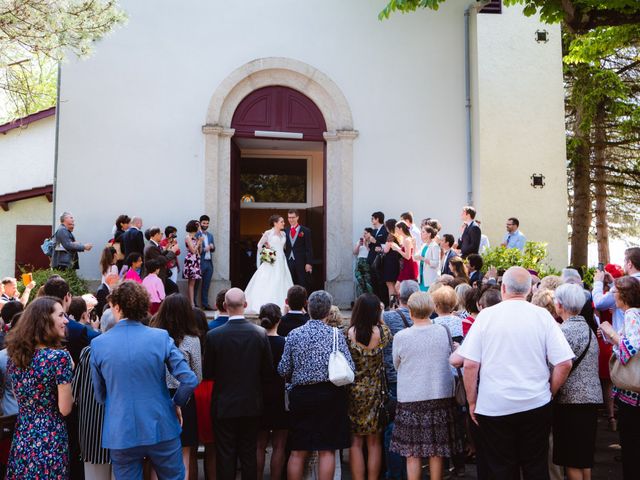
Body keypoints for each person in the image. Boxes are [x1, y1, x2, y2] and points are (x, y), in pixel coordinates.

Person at [455, 267, 574, 480]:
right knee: (536, 466)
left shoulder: (486, 316)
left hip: (494, 405)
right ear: (529, 290)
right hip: (535, 402)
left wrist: (472, 402)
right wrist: (550, 391)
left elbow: (470, 364)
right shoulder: (542, 317)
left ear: (503, 288)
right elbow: (564, 363)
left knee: (499, 468)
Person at [90, 281, 198, 479]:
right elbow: (189, 379)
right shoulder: (160, 337)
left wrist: (118, 405)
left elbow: (100, 394)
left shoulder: (98, 344)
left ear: (116, 307)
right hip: (161, 422)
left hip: (121, 428)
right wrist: (175, 404)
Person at [278, 290, 354, 480]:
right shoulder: (336, 335)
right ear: (328, 312)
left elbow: (283, 368)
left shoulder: (294, 334)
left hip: (302, 395)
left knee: (298, 450)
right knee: (326, 450)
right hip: (330, 394)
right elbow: (350, 366)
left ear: (308, 308)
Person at [390, 292, 462, 480]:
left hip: (411, 397)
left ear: (411, 311)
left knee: (412, 452)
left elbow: (397, 364)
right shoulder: (443, 331)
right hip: (439, 394)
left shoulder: (401, 336)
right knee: (436, 449)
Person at [203, 288, 273, 480]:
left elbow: (207, 372)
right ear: (246, 304)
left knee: (225, 454)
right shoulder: (259, 334)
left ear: (224, 306)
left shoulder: (214, 336)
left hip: (224, 403)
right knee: (248, 453)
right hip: (251, 402)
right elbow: (267, 371)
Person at [5, 297, 73, 478]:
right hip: (50, 438)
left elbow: (18, 396)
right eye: (61, 315)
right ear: (45, 320)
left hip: (23, 436)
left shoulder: (17, 356)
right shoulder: (59, 358)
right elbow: (65, 409)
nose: (66, 320)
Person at [551, 284, 602, 480]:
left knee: (571, 459)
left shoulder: (564, 332)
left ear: (560, 305)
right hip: (590, 399)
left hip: (570, 401)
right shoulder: (588, 329)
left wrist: (551, 391)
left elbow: (558, 366)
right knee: (583, 457)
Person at [150, 294, 203, 479]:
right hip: (185, 396)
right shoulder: (192, 339)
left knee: (157, 456)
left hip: (158, 395)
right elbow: (197, 376)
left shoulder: (153, 337)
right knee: (184, 455)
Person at [599, 276, 640, 480]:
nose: (612, 295)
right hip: (633, 394)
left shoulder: (632, 315)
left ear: (624, 295)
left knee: (631, 446)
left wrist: (610, 332)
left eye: (614, 292)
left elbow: (628, 349)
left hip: (633, 394)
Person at [347, 293, 391, 480]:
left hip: (354, 390)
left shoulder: (348, 333)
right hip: (376, 390)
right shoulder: (383, 332)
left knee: (355, 441)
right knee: (374, 442)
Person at [72, 311, 117, 480]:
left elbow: (75, 392)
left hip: (92, 431)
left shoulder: (88, 352)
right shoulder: (129, 353)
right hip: (121, 433)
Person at [382, 280, 419, 480]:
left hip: (394, 377)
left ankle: (395, 473)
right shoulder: (425, 317)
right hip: (416, 379)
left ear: (399, 296)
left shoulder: (386, 317)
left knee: (393, 428)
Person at [256, 303, 289, 480]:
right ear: (279, 320)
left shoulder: (255, 342)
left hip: (258, 395)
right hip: (279, 396)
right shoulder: (284, 342)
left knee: (259, 445)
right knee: (279, 445)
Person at [245, 215, 294, 314]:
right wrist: (267, 250)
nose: (284, 223)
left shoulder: (284, 234)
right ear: (275, 223)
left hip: (282, 260)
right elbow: (259, 245)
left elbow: (283, 247)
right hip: (272, 259)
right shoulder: (268, 233)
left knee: (282, 280)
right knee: (270, 280)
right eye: (281, 221)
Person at [593, 247, 640, 332]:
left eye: (624, 261)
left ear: (629, 263)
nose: (624, 265)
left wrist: (598, 282)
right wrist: (613, 283)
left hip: (626, 337)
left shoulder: (626, 284)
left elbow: (599, 303)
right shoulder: (628, 284)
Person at [284, 209, 314, 293]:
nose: (291, 220)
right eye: (289, 217)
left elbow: (309, 248)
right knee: (289, 282)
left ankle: (303, 303)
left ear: (297, 217)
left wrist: (309, 263)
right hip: (288, 260)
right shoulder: (285, 230)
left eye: (293, 217)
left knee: (302, 283)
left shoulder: (305, 231)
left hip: (302, 261)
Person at [144, 226, 180, 295]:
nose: (162, 235)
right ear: (156, 234)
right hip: (156, 276)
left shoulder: (152, 245)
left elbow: (159, 255)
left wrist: (167, 250)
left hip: (160, 276)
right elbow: (162, 260)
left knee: (173, 288)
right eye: (161, 234)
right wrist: (172, 251)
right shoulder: (151, 247)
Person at [368, 211, 389, 306]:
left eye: (372, 218)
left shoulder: (385, 230)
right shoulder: (374, 231)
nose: (371, 220)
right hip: (372, 261)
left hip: (381, 262)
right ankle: (376, 304)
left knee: (381, 283)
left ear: (377, 219)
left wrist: (375, 241)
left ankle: (384, 304)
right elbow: (372, 246)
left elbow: (385, 245)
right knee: (374, 283)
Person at [391, 221, 418, 287]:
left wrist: (397, 249)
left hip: (409, 265)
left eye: (396, 228)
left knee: (399, 287)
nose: (395, 230)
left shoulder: (407, 240)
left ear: (401, 229)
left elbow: (408, 256)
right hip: (406, 265)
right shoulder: (405, 239)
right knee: (400, 287)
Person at [197, 215, 216, 310]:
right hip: (200, 262)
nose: (206, 225)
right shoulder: (197, 235)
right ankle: (195, 304)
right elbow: (196, 250)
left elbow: (213, 249)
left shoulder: (210, 235)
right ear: (200, 223)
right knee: (197, 284)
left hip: (209, 263)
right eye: (204, 223)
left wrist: (212, 247)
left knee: (206, 285)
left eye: (207, 223)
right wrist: (205, 249)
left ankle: (205, 304)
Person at [382, 218, 401, 307]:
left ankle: (392, 305)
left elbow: (386, 250)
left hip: (390, 262)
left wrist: (380, 249)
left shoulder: (390, 236)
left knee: (390, 285)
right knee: (395, 285)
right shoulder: (399, 235)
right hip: (396, 262)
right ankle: (397, 304)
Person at [416, 225, 439, 291]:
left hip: (429, 279)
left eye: (423, 232)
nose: (421, 233)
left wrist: (423, 259)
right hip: (421, 277)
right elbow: (415, 257)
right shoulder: (424, 245)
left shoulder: (434, 246)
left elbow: (436, 263)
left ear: (429, 234)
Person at [353, 228, 374, 297]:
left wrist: (366, 244)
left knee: (368, 282)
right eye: (363, 233)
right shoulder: (360, 241)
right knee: (359, 280)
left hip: (367, 262)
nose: (364, 235)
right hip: (359, 262)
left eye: (365, 233)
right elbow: (355, 252)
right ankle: (361, 298)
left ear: (370, 234)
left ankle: (369, 298)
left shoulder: (372, 241)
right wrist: (359, 245)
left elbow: (371, 252)